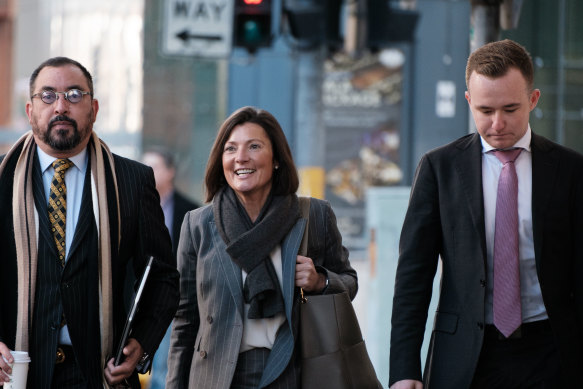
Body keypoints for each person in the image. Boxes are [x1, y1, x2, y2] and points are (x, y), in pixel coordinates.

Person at [389, 39, 583, 388]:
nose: (497, 124)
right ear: (468, 102)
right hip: (464, 355)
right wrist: (404, 370)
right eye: (485, 110)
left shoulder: (570, 170)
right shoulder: (439, 168)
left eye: (510, 109)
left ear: (533, 100)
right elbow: (413, 277)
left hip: (552, 352)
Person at [0, 56, 180, 389]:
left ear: (93, 108)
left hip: (99, 375)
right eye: (48, 95)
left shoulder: (132, 180)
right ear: (30, 110)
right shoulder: (2, 178)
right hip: (16, 372)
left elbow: (163, 276)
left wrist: (140, 343)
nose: (60, 107)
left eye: (73, 95)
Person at [165, 106, 358, 388]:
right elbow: (185, 320)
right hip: (217, 375)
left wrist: (320, 280)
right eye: (230, 149)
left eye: (254, 146)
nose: (241, 157)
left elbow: (349, 283)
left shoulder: (313, 216)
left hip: (293, 371)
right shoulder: (198, 225)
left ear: (277, 159)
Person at [141, 146, 200, 389]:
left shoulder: (192, 211)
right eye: (145, 167)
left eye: (154, 167)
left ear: (171, 172)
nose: (148, 173)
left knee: (166, 368)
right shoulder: (135, 206)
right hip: (142, 301)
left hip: (177, 301)